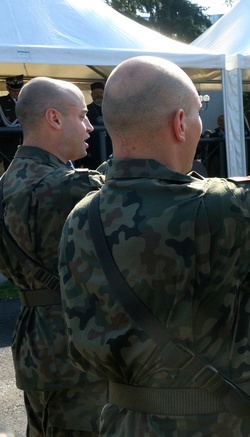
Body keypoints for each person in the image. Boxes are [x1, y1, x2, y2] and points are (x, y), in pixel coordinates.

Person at [58, 56, 250, 436]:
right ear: (179, 123)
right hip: (215, 425)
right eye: (196, 113)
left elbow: (80, 346)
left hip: (124, 422)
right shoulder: (212, 207)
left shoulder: (81, 217)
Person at [0, 77, 106, 435]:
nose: (90, 125)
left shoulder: (7, 183)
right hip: (76, 346)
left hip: (35, 341)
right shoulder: (69, 187)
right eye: (82, 116)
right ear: (54, 118)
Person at [76, 81, 111, 169]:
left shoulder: (111, 108)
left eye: (100, 92)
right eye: (95, 93)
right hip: (93, 147)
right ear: (91, 95)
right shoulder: (86, 110)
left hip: (110, 146)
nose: (98, 95)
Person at [0, 75, 24, 172]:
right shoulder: (1, 102)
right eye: (13, 90)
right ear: (7, 89)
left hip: (25, 145)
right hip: (7, 145)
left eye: (19, 90)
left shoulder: (29, 101)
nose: (16, 92)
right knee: (9, 174)